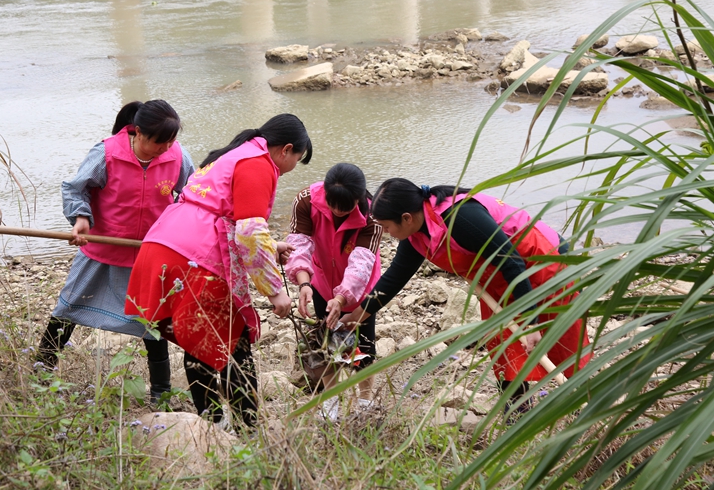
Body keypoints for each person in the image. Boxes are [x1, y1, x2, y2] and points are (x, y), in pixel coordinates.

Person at [332, 178, 591, 416]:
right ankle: (517, 417)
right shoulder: (416, 235)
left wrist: (531, 320)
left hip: (540, 264)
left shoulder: (460, 217)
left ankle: (587, 406)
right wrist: (358, 314)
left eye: (387, 227)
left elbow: (511, 261)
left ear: (406, 218)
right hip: (497, 280)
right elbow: (394, 278)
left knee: (562, 340)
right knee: (503, 346)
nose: (386, 233)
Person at [124, 113, 312, 429]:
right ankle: (247, 429)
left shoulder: (235, 153)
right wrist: (275, 290)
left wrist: (271, 245)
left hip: (164, 244)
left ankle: (209, 424)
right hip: (195, 257)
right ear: (286, 149)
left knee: (196, 337)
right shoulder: (259, 163)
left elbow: (229, 218)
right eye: (298, 158)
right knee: (233, 344)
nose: (293, 165)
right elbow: (250, 232)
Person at [36, 100, 195, 405]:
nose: (166, 148)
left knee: (152, 322)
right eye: (159, 142)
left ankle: (160, 392)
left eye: (171, 141)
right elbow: (75, 188)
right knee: (68, 308)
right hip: (101, 249)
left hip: (149, 255)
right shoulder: (107, 153)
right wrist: (81, 218)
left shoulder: (177, 156)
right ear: (138, 133)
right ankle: (40, 371)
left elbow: (192, 195)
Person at [285, 163, 383, 421]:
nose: (338, 210)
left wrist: (342, 299)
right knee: (325, 336)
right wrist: (304, 283)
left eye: (346, 206)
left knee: (362, 342)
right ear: (325, 193)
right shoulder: (306, 201)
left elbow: (362, 264)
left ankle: (364, 399)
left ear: (359, 198)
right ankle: (330, 400)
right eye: (333, 204)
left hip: (360, 286)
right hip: (320, 279)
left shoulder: (373, 214)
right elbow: (299, 245)